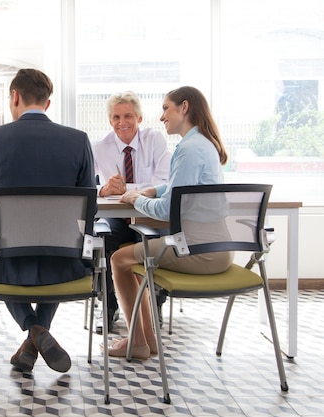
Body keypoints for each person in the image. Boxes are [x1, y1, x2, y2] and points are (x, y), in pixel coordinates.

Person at [0, 68, 96, 373]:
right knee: (52, 248)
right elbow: (89, 211)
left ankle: (35, 332)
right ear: (47, 103)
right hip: (65, 264)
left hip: (9, 265)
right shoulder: (78, 140)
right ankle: (39, 334)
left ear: (15, 97)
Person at [107, 86, 230, 360]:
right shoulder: (203, 144)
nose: (162, 117)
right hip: (219, 248)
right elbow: (182, 189)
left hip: (197, 252)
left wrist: (134, 199)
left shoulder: (187, 149)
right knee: (135, 262)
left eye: (166, 108)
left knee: (118, 259)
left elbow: (165, 211)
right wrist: (154, 190)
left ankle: (137, 341)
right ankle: (144, 341)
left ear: (184, 107)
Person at [92, 91, 171, 334]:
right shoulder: (99, 147)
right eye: (116, 117)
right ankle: (110, 307)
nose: (121, 122)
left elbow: (164, 181)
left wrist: (130, 189)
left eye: (128, 116)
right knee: (103, 241)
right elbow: (85, 185)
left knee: (156, 243)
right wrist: (103, 189)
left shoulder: (155, 139)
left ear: (139, 118)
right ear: (109, 121)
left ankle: (154, 306)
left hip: (150, 216)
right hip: (118, 217)